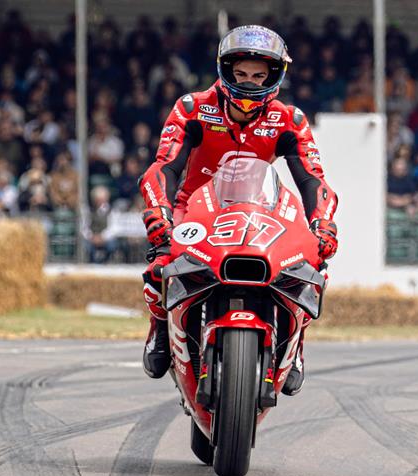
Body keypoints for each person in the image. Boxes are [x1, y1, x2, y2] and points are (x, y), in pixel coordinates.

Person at [138, 25, 339, 397]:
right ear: (225, 71)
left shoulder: (290, 120)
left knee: (312, 268)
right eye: (241, 74)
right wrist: (159, 213)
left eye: (259, 75)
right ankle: (160, 328)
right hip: (194, 210)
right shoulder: (191, 107)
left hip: (259, 210)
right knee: (159, 266)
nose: (249, 83)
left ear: (275, 76)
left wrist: (322, 224)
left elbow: (314, 180)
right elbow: (163, 168)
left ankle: (295, 348)